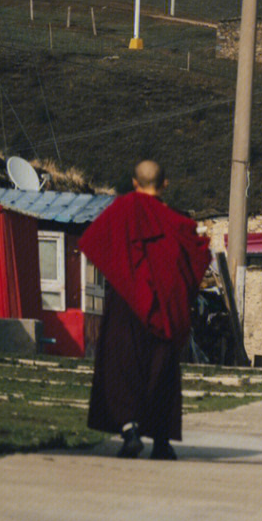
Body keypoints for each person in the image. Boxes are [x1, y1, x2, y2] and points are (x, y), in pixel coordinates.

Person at [77, 159, 211, 460]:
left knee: (120, 369)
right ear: (165, 184)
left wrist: (124, 274)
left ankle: (130, 432)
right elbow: (195, 265)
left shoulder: (121, 211)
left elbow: (96, 244)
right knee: (160, 372)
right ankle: (161, 443)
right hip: (163, 309)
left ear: (135, 184)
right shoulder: (176, 221)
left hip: (125, 305)